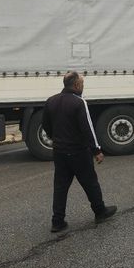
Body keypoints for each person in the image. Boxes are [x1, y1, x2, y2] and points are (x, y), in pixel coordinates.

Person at [42, 71, 117, 233]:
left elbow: (46, 125)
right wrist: (96, 150)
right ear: (76, 85)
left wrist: (55, 138)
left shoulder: (51, 101)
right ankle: (100, 211)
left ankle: (57, 221)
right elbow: (87, 129)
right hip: (78, 152)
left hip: (60, 152)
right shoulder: (79, 102)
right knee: (90, 182)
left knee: (60, 186)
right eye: (82, 84)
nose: (83, 87)